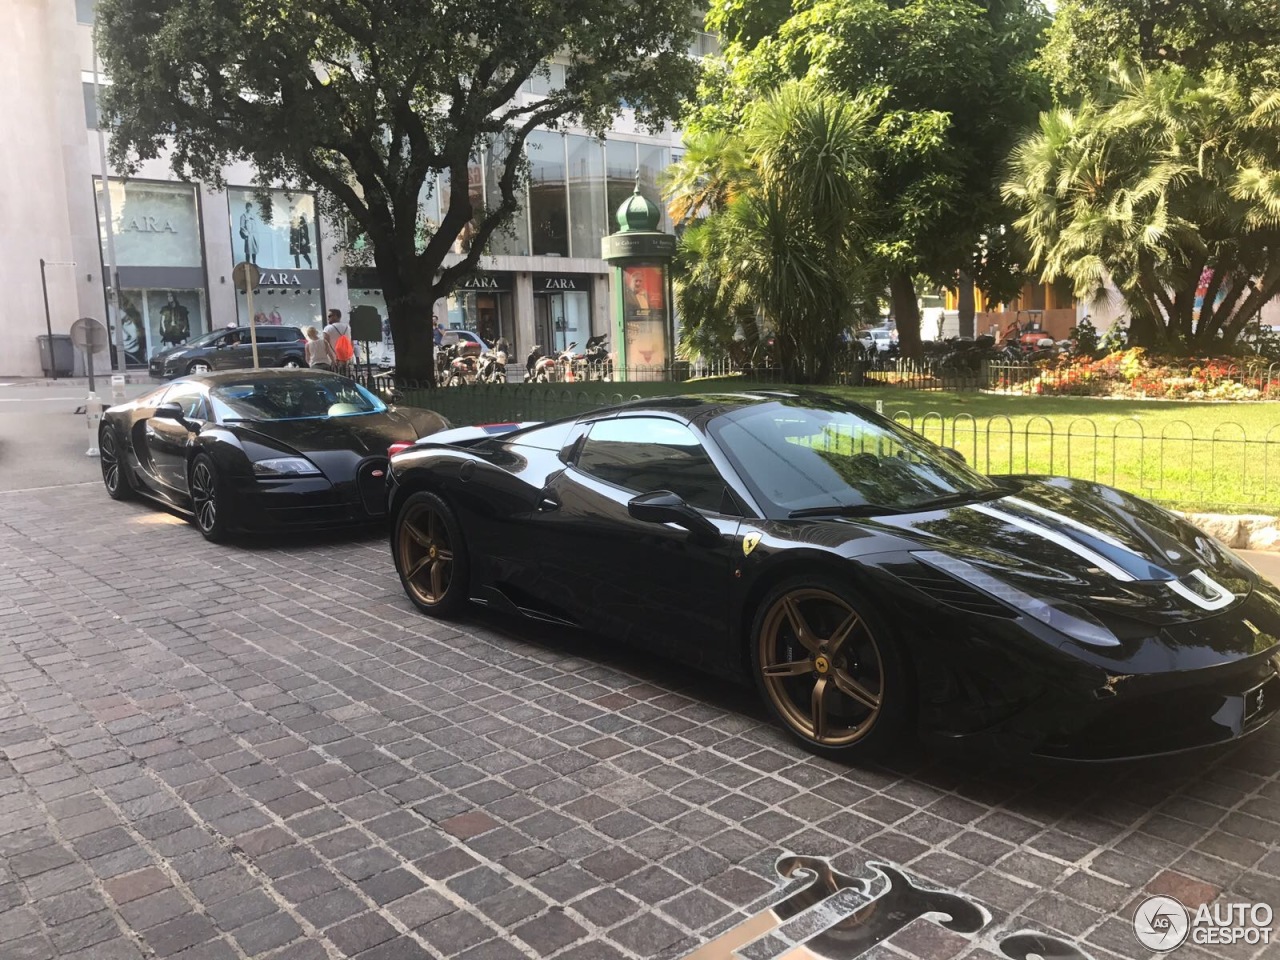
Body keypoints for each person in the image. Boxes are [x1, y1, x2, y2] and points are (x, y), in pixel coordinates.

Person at [323, 309, 355, 377]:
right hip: (348, 360)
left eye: (329, 316)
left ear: (336, 316)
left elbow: (325, 345)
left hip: (334, 360)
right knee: (348, 380)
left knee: (336, 381)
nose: (328, 318)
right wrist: (350, 356)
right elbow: (352, 343)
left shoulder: (327, 329)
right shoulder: (348, 327)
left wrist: (330, 359)